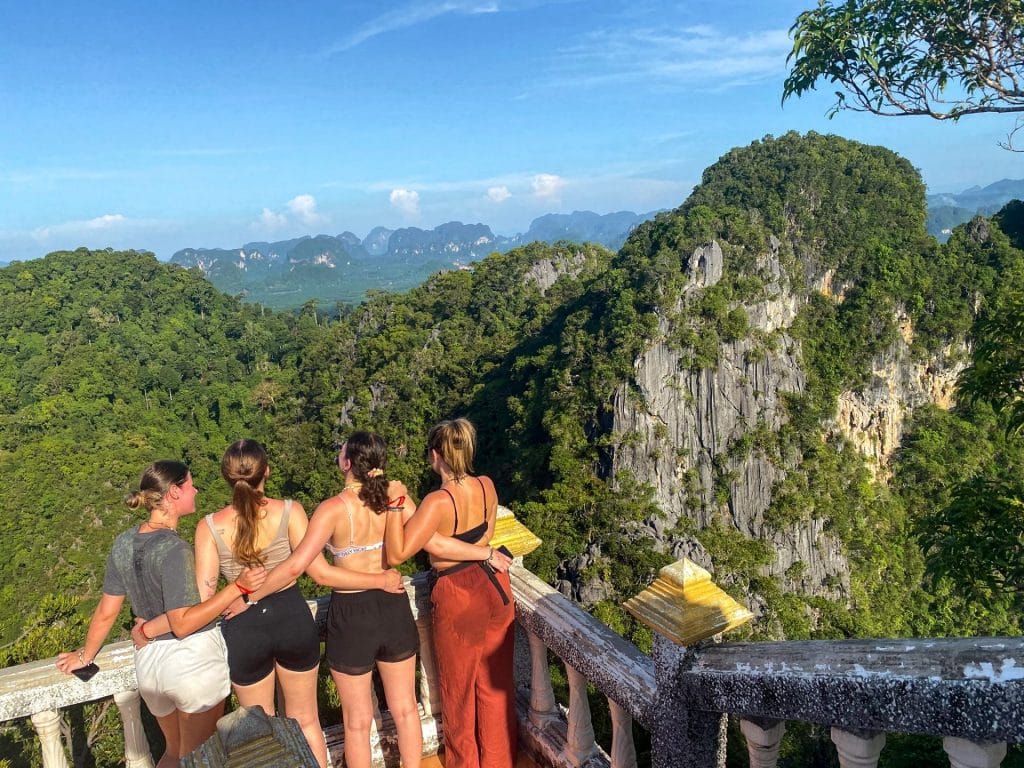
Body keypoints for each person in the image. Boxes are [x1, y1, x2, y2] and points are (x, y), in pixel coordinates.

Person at [133, 439, 404, 768]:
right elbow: (315, 569)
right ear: (268, 472)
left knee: (261, 732)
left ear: (226, 477)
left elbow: (203, 601)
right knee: (306, 721)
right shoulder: (291, 511)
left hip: (243, 627)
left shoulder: (209, 527)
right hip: (293, 618)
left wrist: (151, 627)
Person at [251, 431, 506, 768]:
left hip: (352, 614)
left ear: (346, 463)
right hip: (393, 606)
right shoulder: (394, 497)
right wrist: (482, 549)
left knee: (357, 723)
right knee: (406, 709)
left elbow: (305, 568)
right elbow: (433, 537)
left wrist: (250, 594)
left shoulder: (332, 509)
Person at [56, 461, 266, 768]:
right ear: (174, 492)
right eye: (191, 485)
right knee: (197, 759)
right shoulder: (175, 549)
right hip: (191, 663)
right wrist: (237, 587)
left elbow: (106, 611)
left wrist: (85, 656)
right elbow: (182, 623)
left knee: (173, 752)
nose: (196, 490)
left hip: (150, 666)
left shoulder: (123, 542)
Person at [384, 418, 517, 768]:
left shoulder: (437, 502)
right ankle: (499, 760)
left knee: (458, 692)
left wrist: (397, 507)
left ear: (435, 455)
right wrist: (473, 551)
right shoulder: (487, 486)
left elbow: (398, 553)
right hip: (495, 586)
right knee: (495, 685)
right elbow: (484, 536)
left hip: (459, 594)